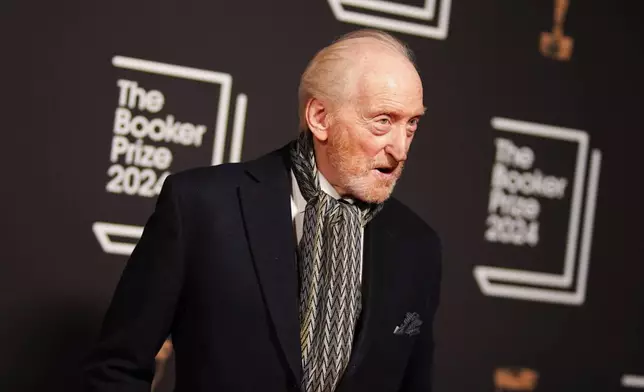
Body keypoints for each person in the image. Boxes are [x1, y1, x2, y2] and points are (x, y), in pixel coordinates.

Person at [83, 28, 442, 392]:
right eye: (383, 121)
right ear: (320, 117)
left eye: (411, 124)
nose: (401, 148)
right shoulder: (201, 207)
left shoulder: (418, 246)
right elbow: (118, 368)